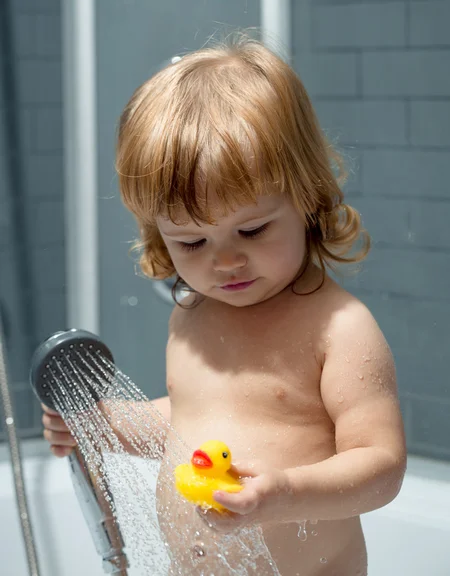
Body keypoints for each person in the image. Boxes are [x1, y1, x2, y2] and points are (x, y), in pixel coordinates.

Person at [42, 34, 406, 575]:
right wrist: (108, 425)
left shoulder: (339, 329)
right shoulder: (191, 314)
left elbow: (381, 467)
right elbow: (192, 418)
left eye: (253, 230)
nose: (226, 261)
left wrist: (287, 492)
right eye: (191, 242)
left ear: (307, 198)